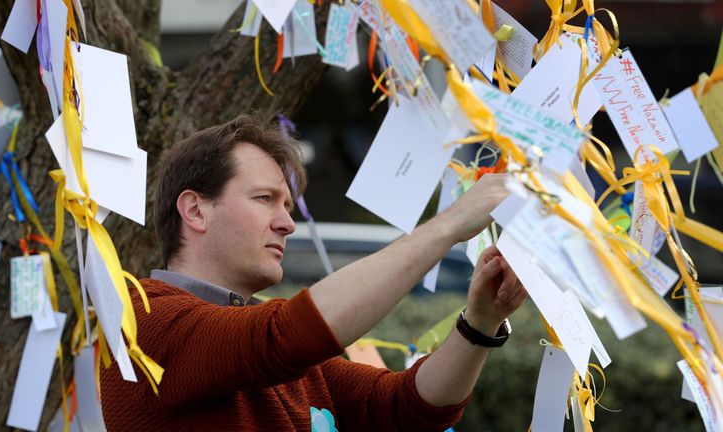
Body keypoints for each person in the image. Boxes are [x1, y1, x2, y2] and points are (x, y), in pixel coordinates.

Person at [100, 113, 527, 431]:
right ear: (195, 210)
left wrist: (482, 321)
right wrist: (449, 225)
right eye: (265, 198)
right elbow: (284, 335)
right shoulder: (141, 320)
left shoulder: (276, 351)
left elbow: (408, 405)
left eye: (287, 206)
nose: (287, 223)